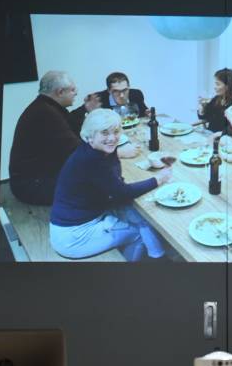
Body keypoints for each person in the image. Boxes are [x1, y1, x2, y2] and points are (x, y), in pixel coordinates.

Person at [49, 108, 172, 262]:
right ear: (90, 136)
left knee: (136, 215)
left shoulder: (100, 150)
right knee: (139, 231)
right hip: (74, 236)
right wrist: (158, 179)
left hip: (84, 216)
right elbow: (122, 192)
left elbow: (117, 183)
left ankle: (158, 255)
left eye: (115, 131)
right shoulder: (91, 160)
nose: (112, 138)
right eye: (105, 133)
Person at [9, 71, 100, 205]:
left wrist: (85, 108)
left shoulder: (44, 106)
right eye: (73, 90)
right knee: (97, 181)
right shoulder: (46, 113)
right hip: (33, 186)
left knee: (95, 172)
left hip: (35, 178)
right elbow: (76, 150)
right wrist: (113, 150)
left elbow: (67, 123)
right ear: (60, 92)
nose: (76, 93)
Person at [69, 71, 149, 136]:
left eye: (125, 90)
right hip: (112, 138)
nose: (121, 95)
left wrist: (148, 113)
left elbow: (142, 113)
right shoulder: (98, 99)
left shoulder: (136, 94)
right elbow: (71, 119)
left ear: (129, 87)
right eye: (116, 91)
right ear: (109, 91)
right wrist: (86, 110)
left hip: (133, 134)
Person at [197, 68, 232, 133]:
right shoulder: (216, 98)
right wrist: (202, 108)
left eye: (217, 84)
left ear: (227, 86)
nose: (214, 87)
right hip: (210, 134)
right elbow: (204, 117)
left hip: (223, 138)